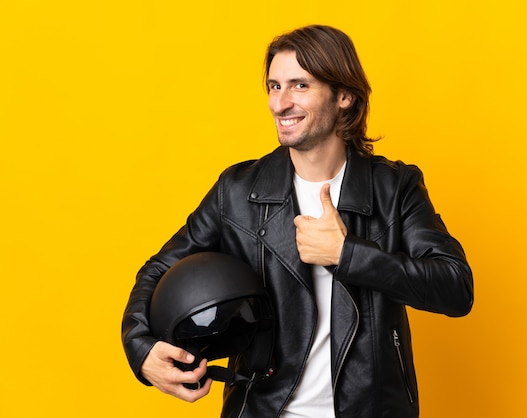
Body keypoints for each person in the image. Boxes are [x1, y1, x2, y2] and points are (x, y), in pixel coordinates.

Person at [122, 24, 473, 418]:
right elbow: (158, 270)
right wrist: (141, 349)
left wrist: (348, 255)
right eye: (274, 86)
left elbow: (455, 287)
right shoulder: (237, 192)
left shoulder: (395, 188)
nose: (280, 103)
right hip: (264, 409)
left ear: (345, 96)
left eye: (299, 86)